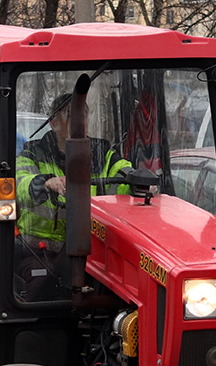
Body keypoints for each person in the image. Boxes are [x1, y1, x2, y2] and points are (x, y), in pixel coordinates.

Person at [15, 93, 132, 298]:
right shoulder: (33, 154)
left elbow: (123, 173)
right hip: (42, 252)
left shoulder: (103, 154)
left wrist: (137, 180)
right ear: (53, 122)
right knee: (42, 291)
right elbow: (21, 183)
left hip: (94, 252)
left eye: (83, 115)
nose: (78, 121)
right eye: (70, 115)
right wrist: (45, 182)